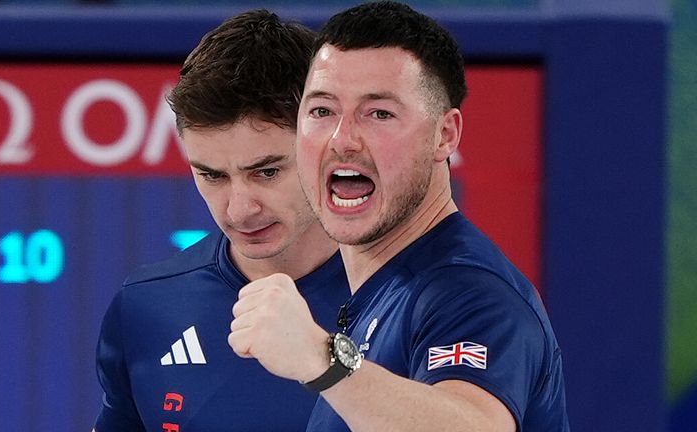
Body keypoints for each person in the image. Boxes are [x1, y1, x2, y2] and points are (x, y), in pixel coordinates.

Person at [228, 2, 570, 431]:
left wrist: (321, 358)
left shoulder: (470, 291)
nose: (343, 140)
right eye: (322, 111)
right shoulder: (378, 296)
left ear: (444, 135)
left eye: (379, 113)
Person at [92, 10, 350, 432]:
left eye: (266, 172)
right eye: (212, 176)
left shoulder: (427, 297)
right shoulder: (145, 305)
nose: (238, 210)